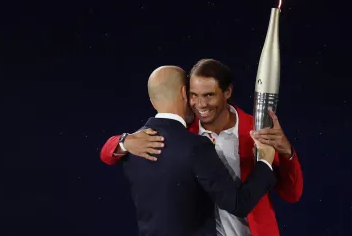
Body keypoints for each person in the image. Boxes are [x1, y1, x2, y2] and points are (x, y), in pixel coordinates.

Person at [101, 59, 304, 236]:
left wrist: (287, 152)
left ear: (227, 92)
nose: (200, 104)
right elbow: (107, 154)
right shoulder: (184, 135)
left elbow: (292, 194)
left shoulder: (257, 131)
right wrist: (123, 141)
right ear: (184, 94)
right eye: (194, 95)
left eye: (208, 95)